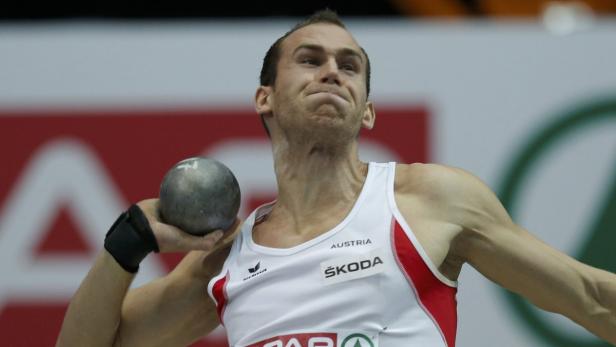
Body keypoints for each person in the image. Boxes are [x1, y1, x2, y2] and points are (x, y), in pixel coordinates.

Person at [56, 9, 616, 347]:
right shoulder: (227, 260)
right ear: (265, 98)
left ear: (366, 111)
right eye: (311, 59)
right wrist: (125, 245)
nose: (332, 71)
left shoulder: (426, 202)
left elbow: (591, 297)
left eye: (350, 67)